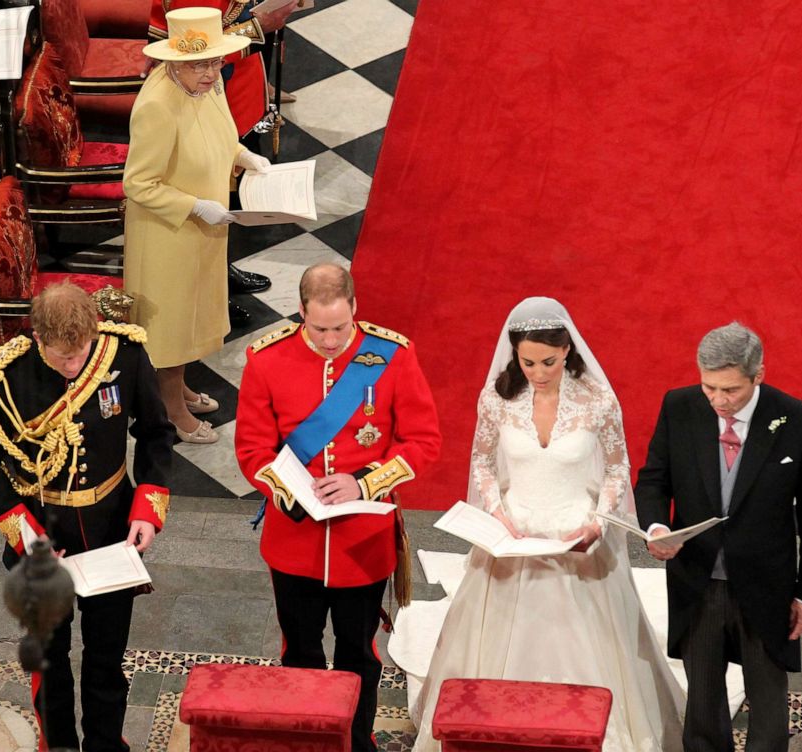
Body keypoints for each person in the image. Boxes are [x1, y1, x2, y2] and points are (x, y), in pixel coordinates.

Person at [411, 297, 684, 752]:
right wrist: (497, 513)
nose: (538, 372)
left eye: (549, 362)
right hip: (513, 533)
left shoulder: (597, 401)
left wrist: (598, 524)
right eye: (528, 362)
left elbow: (618, 470)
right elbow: (481, 460)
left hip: (577, 535)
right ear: (514, 355)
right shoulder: (498, 398)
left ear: (568, 352)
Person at [235, 263, 442, 752]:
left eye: (340, 328)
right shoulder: (267, 360)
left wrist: (366, 483)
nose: (331, 341)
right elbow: (252, 450)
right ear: (300, 312)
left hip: (362, 543)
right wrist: (294, 492)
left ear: (355, 309)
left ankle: (356, 740)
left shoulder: (391, 356)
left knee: (358, 654)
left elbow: (422, 441)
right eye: (319, 329)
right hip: (295, 541)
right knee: (301, 651)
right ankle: (306, 740)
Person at [0, 281, 174, 752]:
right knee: (50, 661)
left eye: (81, 355)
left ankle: (105, 744)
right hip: (41, 535)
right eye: (62, 359)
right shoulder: (3, 377)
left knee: (106, 659)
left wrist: (148, 509)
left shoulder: (124, 354)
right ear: (37, 338)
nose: (76, 368)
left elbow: (157, 435)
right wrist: (28, 537)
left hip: (112, 533)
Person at [635, 321, 802, 752]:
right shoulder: (680, 406)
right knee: (702, 703)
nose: (719, 402)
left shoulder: (797, 420)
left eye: (731, 390)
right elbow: (653, 480)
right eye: (709, 388)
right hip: (697, 580)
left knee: (768, 702)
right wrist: (655, 527)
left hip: (767, 584)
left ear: (757, 375)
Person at [123, 6, 272, 444]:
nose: (211, 73)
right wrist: (194, 206)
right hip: (167, 233)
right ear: (173, 62)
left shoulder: (205, 84)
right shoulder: (156, 106)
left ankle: (179, 388)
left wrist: (244, 157)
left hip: (203, 226)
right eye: (200, 64)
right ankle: (168, 409)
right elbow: (138, 183)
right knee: (171, 323)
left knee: (192, 315)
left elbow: (222, 132)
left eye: (215, 61)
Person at [147, 0, 297, 324]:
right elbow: (192, 56)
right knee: (206, 206)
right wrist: (258, 26)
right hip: (205, 98)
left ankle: (221, 273)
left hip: (233, 97)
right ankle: (207, 297)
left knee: (228, 201)